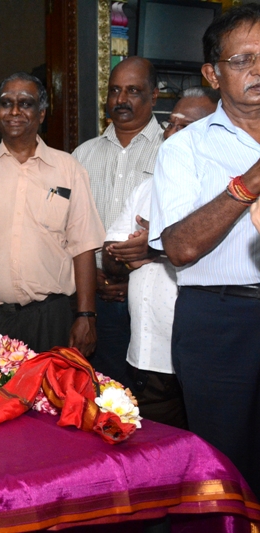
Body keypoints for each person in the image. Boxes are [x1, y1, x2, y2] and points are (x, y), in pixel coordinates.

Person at [149, 4, 260, 494]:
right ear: (213, 74)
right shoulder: (184, 148)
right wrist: (250, 182)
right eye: (243, 60)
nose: (259, 70)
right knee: (228, 467)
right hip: (221, 324)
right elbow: (179, 246)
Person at [0, 72, 103, 356]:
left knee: (51, 399)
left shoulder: (68, 169)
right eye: (6, 103)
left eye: (25, 103)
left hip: (52, 317)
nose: (14, 111)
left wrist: (86, 316)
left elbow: (83, 246)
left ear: (41, 114)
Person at [102, 87, 218, 429]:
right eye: (171, 124)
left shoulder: (224, 193)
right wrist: (130, 254)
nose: (171, 133)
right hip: (144, 356)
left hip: (199, 359)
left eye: (186, 125)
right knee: (155, 455)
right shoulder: (146, 189)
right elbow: (110, 258)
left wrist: (156, 247)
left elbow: (219, 256)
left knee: (210, 458)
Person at [72, 57, 163, 390]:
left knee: (151, 403)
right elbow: (68, 229)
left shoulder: (172, 150)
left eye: (133, 91)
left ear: (154, 96)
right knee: (98, 399)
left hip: (154, 302)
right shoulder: (82, 156)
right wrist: (87, 280)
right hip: (93, 301)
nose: (121, 100)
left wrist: (137, 282)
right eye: (114, 91)